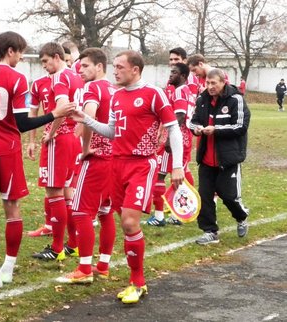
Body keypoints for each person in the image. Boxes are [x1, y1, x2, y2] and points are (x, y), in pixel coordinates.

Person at [70, 50, 184, 304]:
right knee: (124, 223)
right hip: (116, 164)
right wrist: (86, 119)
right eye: (115, 67)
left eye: (120, 67)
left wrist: (176, 165)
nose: (115, 71)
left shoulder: (153, 93)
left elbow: (173, 129)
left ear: (135, 69)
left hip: (141, 165)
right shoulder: (117, 95)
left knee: (131, 223)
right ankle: (132, 277)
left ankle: (138, 281)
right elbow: (111, 131)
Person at [0, 32, 74, 289]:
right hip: (10, 151)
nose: (22, 57)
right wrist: (53, 115)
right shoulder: (17, 78)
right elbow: (23, 123)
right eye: (21, 52)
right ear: (10, 50)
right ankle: (7, 269)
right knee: (12, 208)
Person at [55, 47, 116, 284]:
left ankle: (84, 270)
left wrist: (85, 148)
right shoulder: (114, 88)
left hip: (97, 158)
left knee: (81, 212)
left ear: (99, 67)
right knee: (105, 212)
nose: (80, 70)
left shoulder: (93, 87)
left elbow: (88, 116)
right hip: (114, 158)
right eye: (79, 66)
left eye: (85, 66)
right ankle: (103, 265)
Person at [31, 42, 84, 261]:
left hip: (60, 139)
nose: (44, 66)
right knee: (68, 194)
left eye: (45, 61)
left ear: (56, 57)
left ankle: (56, 248)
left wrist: (51, 133)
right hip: (74, 139)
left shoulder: (60, 78)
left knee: (54, 193)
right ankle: (73, 244)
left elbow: (63, 108)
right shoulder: (76, 76)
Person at [190, 68, 250, 245]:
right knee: (204, 196)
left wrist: (216, 130)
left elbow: (240, 126)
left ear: (223, 82)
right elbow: (193, 120)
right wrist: (196, 128)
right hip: (207, 158)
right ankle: (210, 231)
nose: (209, 86)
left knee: (228, 195)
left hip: (228, 158)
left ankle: (241, 216)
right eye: (207, 83)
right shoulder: (202, 99)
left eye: (213, 83)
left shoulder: (236, 99)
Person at [148, 63, 194, 227]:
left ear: (182, 76)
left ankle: (160, 216)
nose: (170, 75)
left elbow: (180, 115)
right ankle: (179, 213)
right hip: (185, 137)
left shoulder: (181, 90)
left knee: (160, 174)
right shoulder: (187, 90)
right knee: (180, 173)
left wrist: (168, 138)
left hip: (177, 136)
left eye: (174, 73)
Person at [26, 74, 54, 237]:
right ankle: (51, 226)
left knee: (65, 189)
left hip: (64, 140)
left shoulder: (72, 79)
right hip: (50, 140)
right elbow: (33, 112)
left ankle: (64, 235)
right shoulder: (39, 83)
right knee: (50, 185)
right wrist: (31, 141)